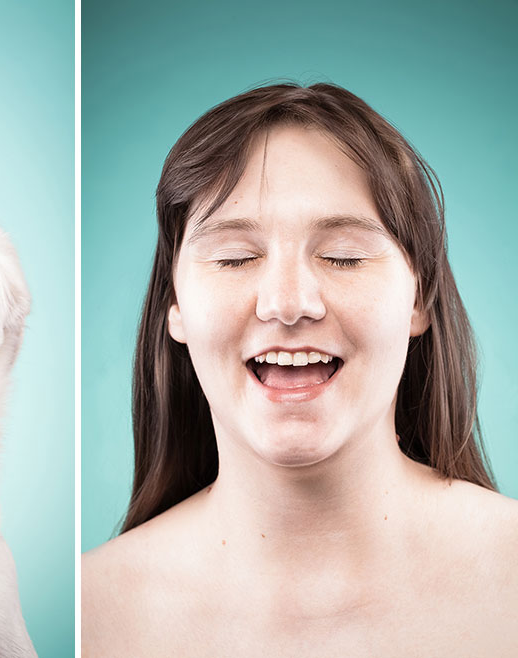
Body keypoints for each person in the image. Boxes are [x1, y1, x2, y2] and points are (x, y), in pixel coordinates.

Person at [82, 83, 518, 656]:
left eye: (343, 255)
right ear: (176, 308)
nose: (287, 304)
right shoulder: (91, 614)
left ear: (420, 301)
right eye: (236, 258)